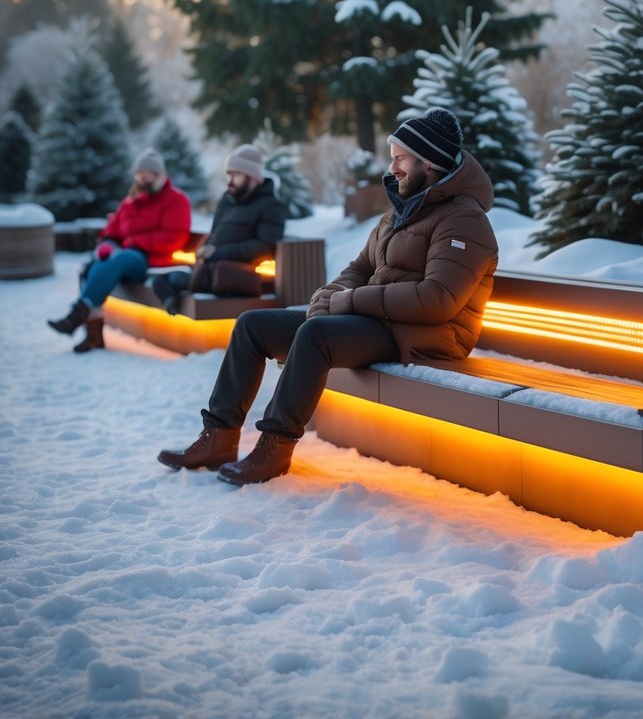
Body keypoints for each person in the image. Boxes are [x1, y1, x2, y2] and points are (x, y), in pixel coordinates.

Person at [158, 107, 498, 486]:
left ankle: (275, 446)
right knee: (253, 325)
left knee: (315, 336)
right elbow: (360, 267)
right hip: (382, 321)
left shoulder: (464, 220)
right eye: (393, 159)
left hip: (428, 336)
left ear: (429, 162)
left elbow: (438, 300)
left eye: (400, 159)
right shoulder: (401, 211)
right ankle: (218, 438)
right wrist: (332, 292)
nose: (393, 169)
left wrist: (350, 302)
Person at [48, 148, 191, 353]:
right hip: (123, 257)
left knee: (120, 258)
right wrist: (107, 243)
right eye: (140, 174)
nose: (144, 179)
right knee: (91, 267)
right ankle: (93, 334)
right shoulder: (130, 202)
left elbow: (174, 237)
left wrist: (133, 241)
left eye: (149, 174)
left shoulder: (176, 200)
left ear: (160, 176)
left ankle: (77, 314)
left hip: (153, 261)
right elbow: (112, 230)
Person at [151, 145, 286, 313]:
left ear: (253, 177)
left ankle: (179, 317)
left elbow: (265, 248)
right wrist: (203, 249)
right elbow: (216, 234)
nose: (229, 181)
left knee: (171, 280)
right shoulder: (227, 200)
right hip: (208, 269)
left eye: (236, 175)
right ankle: (175, 312)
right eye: (229, 175)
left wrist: (218, 252)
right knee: (159, 281)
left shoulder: (271, 206)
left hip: (234, 276)